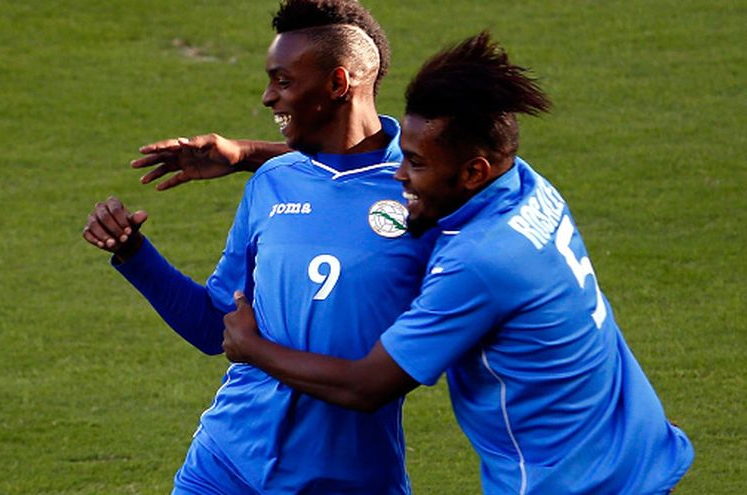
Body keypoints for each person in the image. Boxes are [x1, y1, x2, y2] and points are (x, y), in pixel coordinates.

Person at [221, 32, 694, 494]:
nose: (398, 175)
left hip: (567, 480)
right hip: (637, 450)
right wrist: (250, 155)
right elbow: (390, 168)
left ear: (472, 172)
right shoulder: (526, 186)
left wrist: (251, 347)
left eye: (416, 164)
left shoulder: (479, 262)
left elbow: (365, 387)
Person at [83, 1, 436, 493]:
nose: (269, 97)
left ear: (338, 83)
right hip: (224, 465)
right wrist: (133, 253)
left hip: (348, 478)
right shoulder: (273, 182)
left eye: (283, 81)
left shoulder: (427, 196)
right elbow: (215, 327)